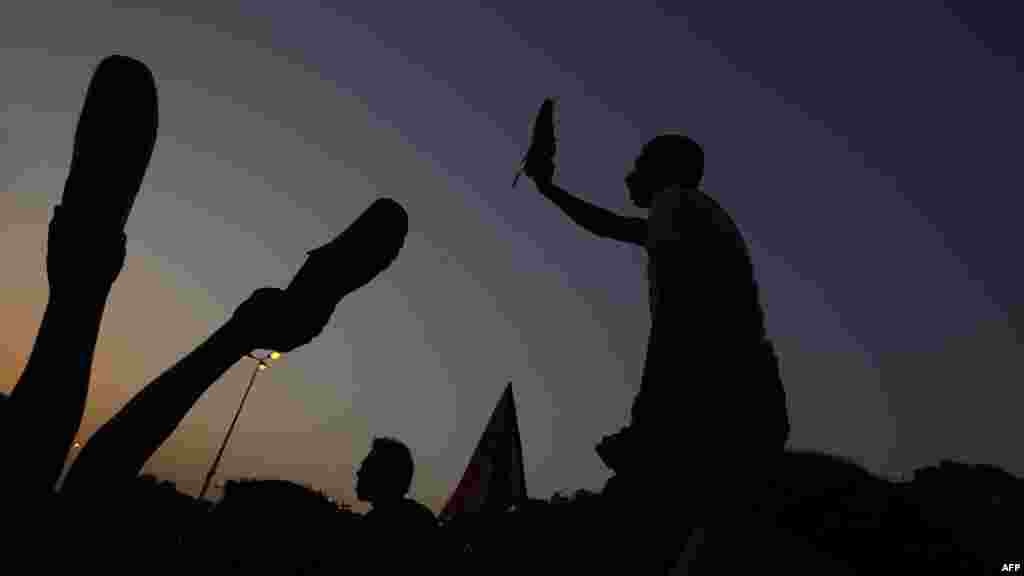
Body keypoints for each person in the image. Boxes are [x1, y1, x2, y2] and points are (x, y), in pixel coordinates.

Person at [524, 131, 789, 572]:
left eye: (640, 164)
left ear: (664, 172)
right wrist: (549, 188)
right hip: (746, 394)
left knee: (643, 534)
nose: (630, 174)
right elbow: (611, 225)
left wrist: (651, 413)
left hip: (715, 399)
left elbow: (681, 315)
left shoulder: (676, 202)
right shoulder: (693, 214)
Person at [356, 437, 439, 570]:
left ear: (383, 475)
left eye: (366, 467)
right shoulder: (420, 519)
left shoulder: (377, 525)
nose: (358, 473)